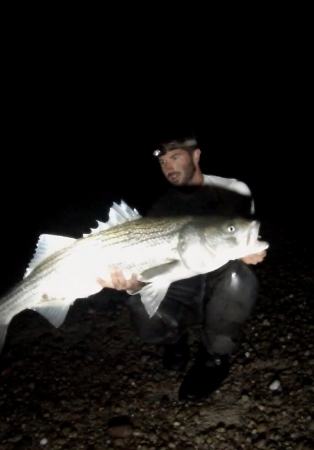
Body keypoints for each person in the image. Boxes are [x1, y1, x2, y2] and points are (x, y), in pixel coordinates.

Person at [97, 131, 266, 401]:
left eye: (175, 157)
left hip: (217, 282)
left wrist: (248, 251)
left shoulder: (233, 190)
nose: (169, 167)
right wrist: (132, 284)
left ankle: (215, 357)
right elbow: (150, 271)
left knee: (239, 277)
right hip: (180, 285)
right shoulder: (162, 207)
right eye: (163, 162)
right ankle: (174, 341)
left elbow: (243, 237)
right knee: (140, 304)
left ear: (196, 155)